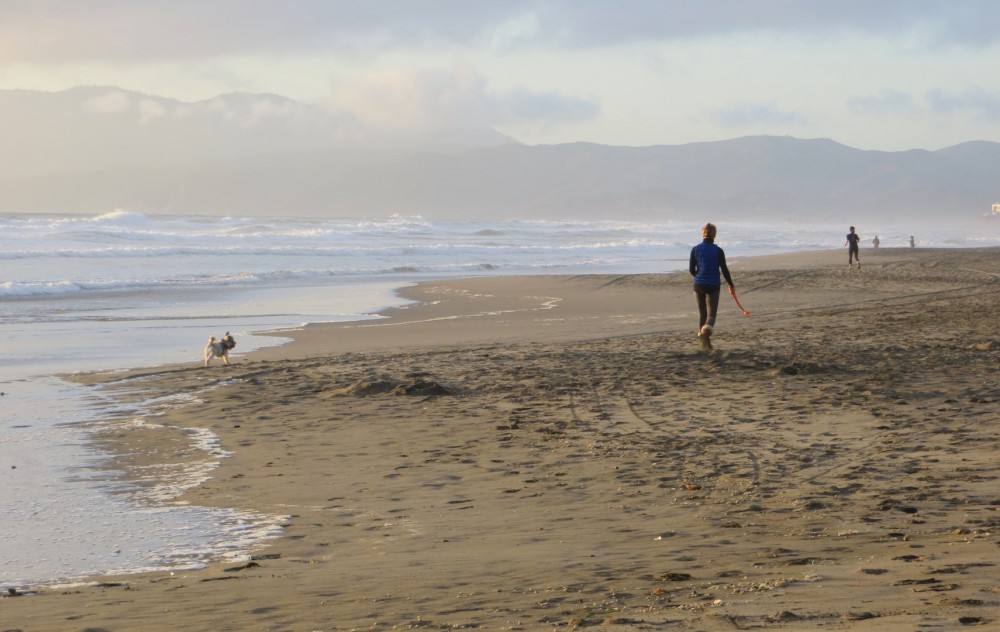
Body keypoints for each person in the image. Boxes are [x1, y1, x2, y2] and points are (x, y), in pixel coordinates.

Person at [689, 222, 734, 351]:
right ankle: (705, 335)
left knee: (702, 314)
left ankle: (705, 344)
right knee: (712, 315)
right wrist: (731, 284)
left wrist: (700, 276)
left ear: (702, 233)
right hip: (713, 285)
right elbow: (724, 269)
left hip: (698, 285)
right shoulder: (718, 251)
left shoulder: (695, 249)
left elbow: (692, 270)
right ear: (714, 234)